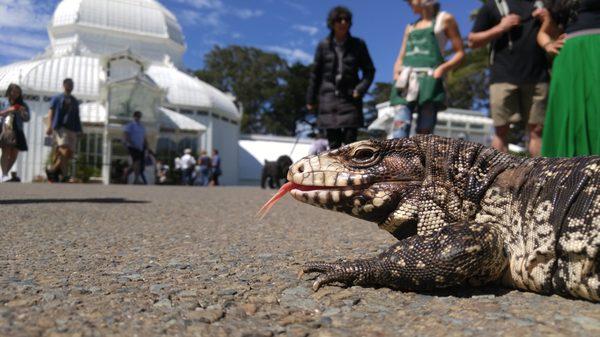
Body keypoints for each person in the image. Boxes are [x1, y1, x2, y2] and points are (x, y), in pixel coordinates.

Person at [469, 0, 550, 157]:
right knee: (501, 131)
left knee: (537, 130)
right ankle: (498, 179)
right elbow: (472, 41)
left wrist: (547, 20)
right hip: (503, 77)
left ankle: (540, 178)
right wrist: (501, 27)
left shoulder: (542, 5)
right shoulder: (492, 6)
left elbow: (556, 34)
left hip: (538, 76)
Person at [388, 0, 465, 139]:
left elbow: (460, 52)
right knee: (400, 126)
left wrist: (442, 69)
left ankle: (423, 159)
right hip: (406, 80)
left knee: (425, 132)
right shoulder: (410, 27)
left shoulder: (445, 19)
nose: (410, 4)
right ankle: (397, 159)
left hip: (430, 79)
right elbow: (401, 55)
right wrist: (396, 72)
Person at [306, 6, 375, 149]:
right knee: (334, 145)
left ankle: (350, 171)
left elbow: (369, 71)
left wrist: (359, 90)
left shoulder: (358, 44)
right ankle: (336, 172)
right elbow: (315, 74)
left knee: (351, 144)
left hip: (351, 99)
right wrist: (311, 100)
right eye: (339, 19)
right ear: (332, 22)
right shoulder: (323, 45)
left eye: (346, 20)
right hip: (328, 99)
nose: (343, 23)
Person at [537, 0, 600, 157]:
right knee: (568, 107)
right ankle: (566, 173)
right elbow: (543, 31)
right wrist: (548, 45)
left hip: (596, 48)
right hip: (569, 54)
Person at [46, 78, 83, 182]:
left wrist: (80, 130)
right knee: (64, 150)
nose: (70, 86)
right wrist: (49, 126)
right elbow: (51, 112)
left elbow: (77, 116)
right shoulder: (57, 98)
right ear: (64, 85)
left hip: (72, 128)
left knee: (69, 154)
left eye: (72, 84)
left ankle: (52, 170)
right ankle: (65, 175)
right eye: (68, 84)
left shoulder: (74, 100)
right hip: (60, 127)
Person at [0, 84, 30, 182]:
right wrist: (9, 110)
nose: (16, 94)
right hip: (6, 128)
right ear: (9, 91)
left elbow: (27, 118)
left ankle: (4, 174)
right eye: (14, 91)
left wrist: (22, 113)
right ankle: (4, 174)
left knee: (14, 153)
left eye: (18, 92)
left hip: (18, 130)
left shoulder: (23, 104)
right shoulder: (3, 102)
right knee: (6, 150)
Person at [122, 111, 148, 184]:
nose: (138, 118)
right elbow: (125, 134)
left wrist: (146, 146)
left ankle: (126, 174)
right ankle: (136, 179)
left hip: (140, 147)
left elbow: (144, 138)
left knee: (136, 164)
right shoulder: (130, 125)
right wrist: (129, 143)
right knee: (137, 162)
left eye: (139, 116)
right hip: (132, 146)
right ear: (134, 116)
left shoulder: (142, 127)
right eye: (137, 116)